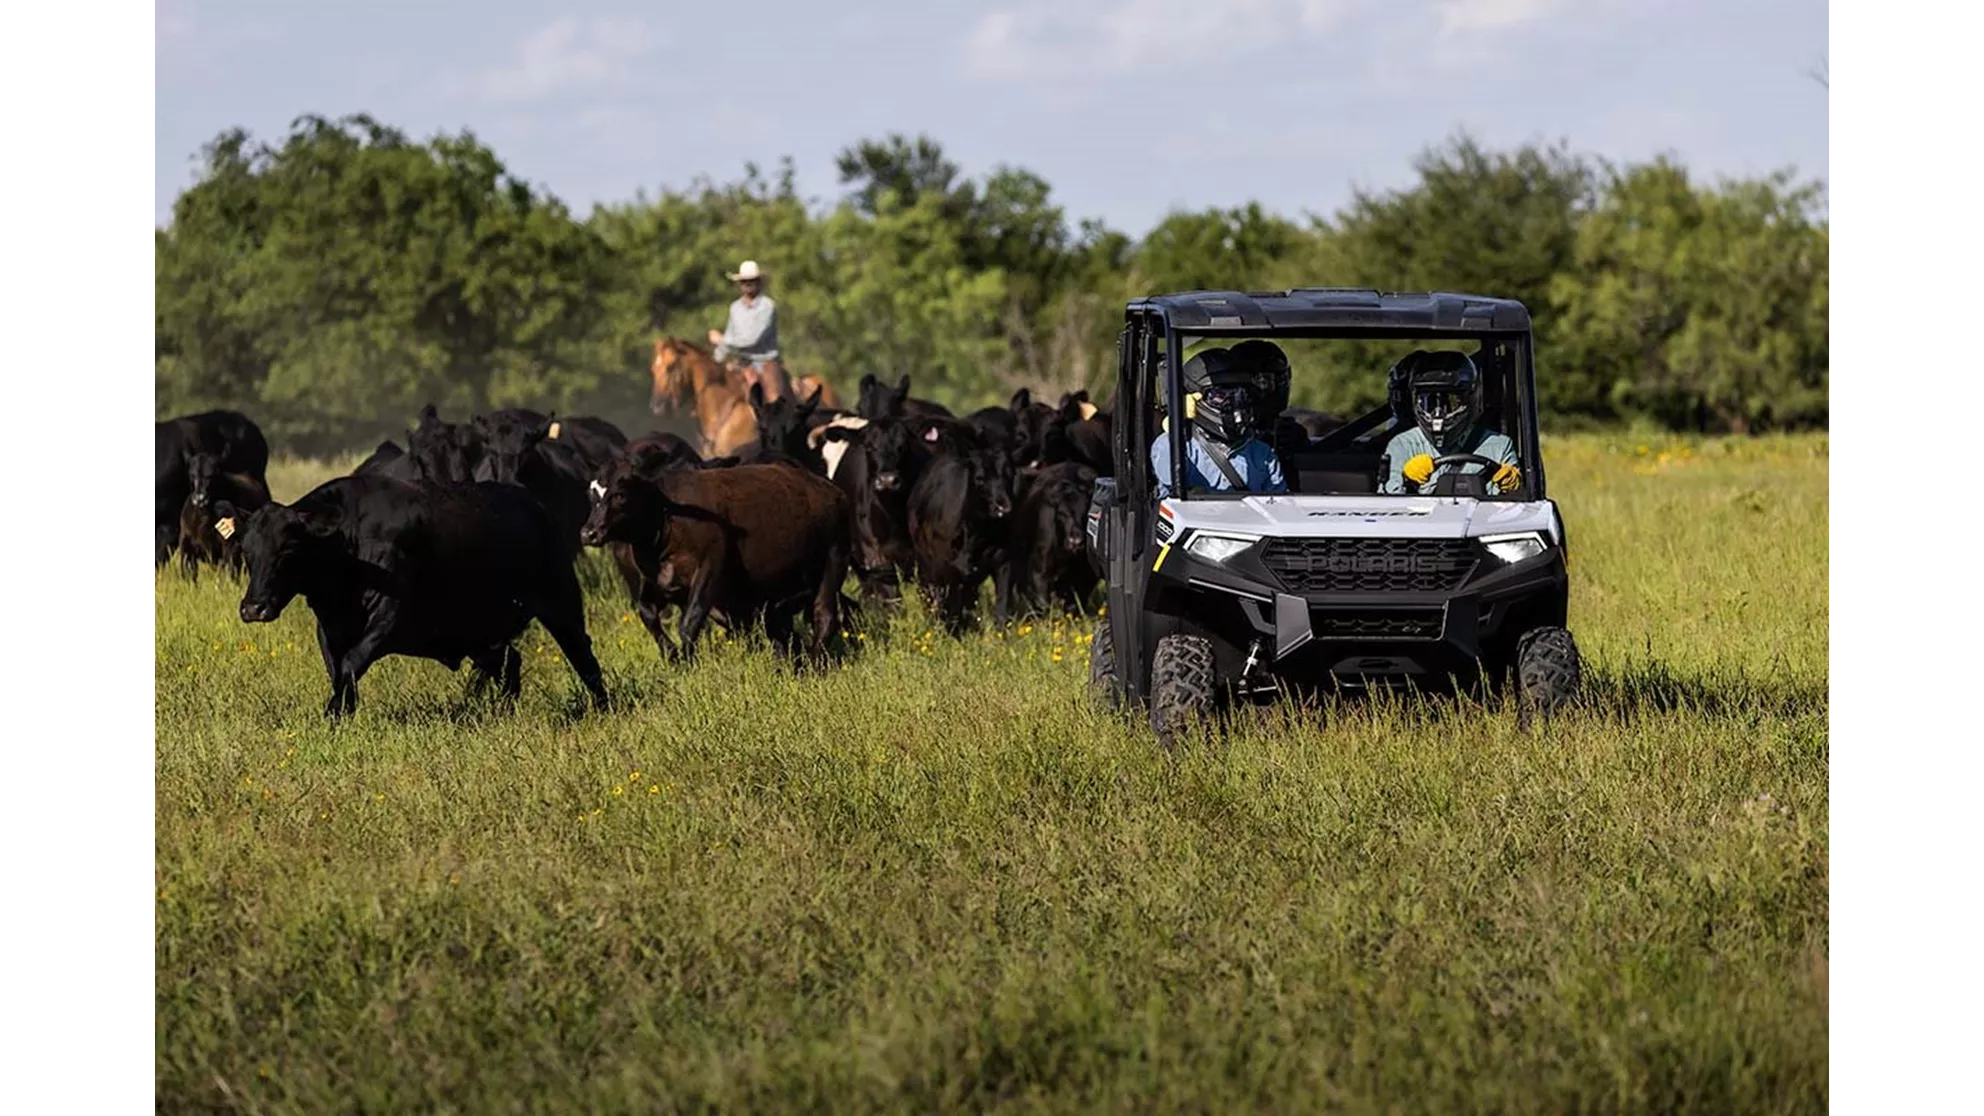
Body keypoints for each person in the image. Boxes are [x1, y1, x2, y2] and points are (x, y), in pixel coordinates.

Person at [1150, 347, 1287, 499]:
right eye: (1220, 395)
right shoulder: (1177, 447)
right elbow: (1169, 494)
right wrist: (1176, 424)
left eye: (1241, 392)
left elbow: (1279, 503)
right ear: (1194, 398)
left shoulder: (1262, 453)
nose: (1234, 402)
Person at [1380, 349, 1521, 495]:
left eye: (1451, 402)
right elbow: (1387, 503)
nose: (1438, 413)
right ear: (1415, 401)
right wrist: (1406, 481)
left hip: (1481, 510)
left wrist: (1513, 488)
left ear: (1470, 399)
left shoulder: (1499, 446)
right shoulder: (1402, 445)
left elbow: (1516, 504)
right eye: (1429, 403)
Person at [707, 259, 792, 402]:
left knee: (774, 401)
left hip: (765, 363)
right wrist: (716, 360)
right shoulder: (735, 308)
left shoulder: (767, 306)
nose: (747, 284)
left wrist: (721, 339)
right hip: (741, 363)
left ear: (759, 282)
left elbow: (751, 339)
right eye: (744, 281)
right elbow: (730, 335)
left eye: (751, 281)